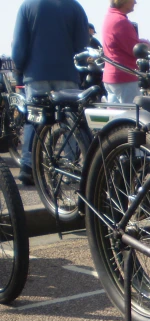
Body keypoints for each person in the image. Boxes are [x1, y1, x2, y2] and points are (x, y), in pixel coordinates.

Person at [11, 0, 89, 186]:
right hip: (67, 74)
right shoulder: (75, 6)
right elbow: (82, 46)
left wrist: (19, 70)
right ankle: (70, 168)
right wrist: (81, 72)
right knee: (70, 122)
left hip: (36, 74)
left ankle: (28, 166)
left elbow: (19, 46)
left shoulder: (28, 6)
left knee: (34, 119)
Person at [102, 0, 149, 104]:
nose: (135, 2)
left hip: (112, 77)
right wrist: (147, 45)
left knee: (114, 116)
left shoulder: (110, 17)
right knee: (133, 115)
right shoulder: (120, 21)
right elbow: (135, 49)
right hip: (124, 78)